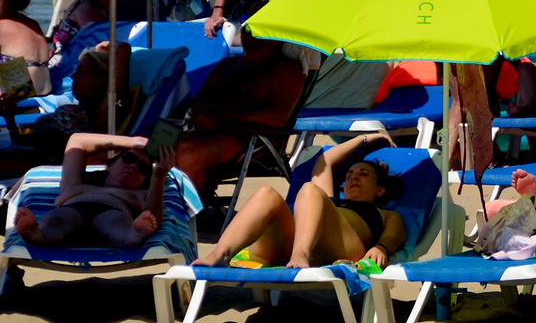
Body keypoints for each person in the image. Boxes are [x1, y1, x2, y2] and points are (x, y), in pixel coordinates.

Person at [194, 132, 406, 269]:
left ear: (380, 190)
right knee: (266, 193)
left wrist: (382, 248)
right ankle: (220, 254)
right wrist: (364, 138)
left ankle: (300, 255)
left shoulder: (385, 214)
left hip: (343, 247)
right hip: (297, 242)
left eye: (363, 174)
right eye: (349, 175)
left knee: (308, 189)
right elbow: (325, 161)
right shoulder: (328, 201)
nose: (353, 178)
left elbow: (396, 234)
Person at [170, 29, 310, 191]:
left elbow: (278, 117)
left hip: (246, 139)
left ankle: (189, 213)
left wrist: (221, 118)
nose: (249, 37)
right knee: (149, 148)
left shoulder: (285, 70)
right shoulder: (227, 65)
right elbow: (196, 101)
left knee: (187, 153)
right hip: (199, 130)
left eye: (258, 32)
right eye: (247, 30)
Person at [12, 134, 174, 248]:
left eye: (143, 168)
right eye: (128, 158)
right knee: (57, 222)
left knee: (117, 226)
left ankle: (131, 237)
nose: (133, 167)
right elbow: (77, 141)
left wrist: (159, 175)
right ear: (109, 165)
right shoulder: (75, 184)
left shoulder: (141, 194)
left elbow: (154, 216)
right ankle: (39, 235)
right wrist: (133, 142)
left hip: (113, 212)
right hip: (73, 209)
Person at [16, 42, 133, 156]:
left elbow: (124, 49)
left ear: (100, 78)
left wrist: (103, 45)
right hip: (24, 153)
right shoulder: (83, 108)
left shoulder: (103, 110)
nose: (73, 76)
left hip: (42, 160)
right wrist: (10, 118)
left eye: (81, 71)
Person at [0, 0, 53, 97]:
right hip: (46, 94)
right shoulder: (32, 24)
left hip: (22, 102)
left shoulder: (2, 27)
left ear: (4, 1)